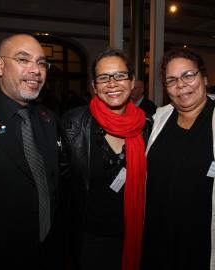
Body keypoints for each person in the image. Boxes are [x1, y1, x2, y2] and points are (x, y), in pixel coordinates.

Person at [141, 48, 215, 270]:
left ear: (204, 77)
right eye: (171, 80)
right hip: (157, 238)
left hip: (205, 245)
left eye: (188, 75)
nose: (181, 84)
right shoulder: (159, 118)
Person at [0, 34, 64, 270]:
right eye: (23, 60)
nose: (36, 70)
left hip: (49, 255)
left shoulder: (50, 120)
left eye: (42, 63)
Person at [61, 48, 153, 270]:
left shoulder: (148, 127)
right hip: (89, 240)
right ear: (94, 87)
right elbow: (60, 188)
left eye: (120, 75)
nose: (112, 83)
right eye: (103, 77)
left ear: (132, 82)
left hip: (135, 237)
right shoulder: (73, 124)